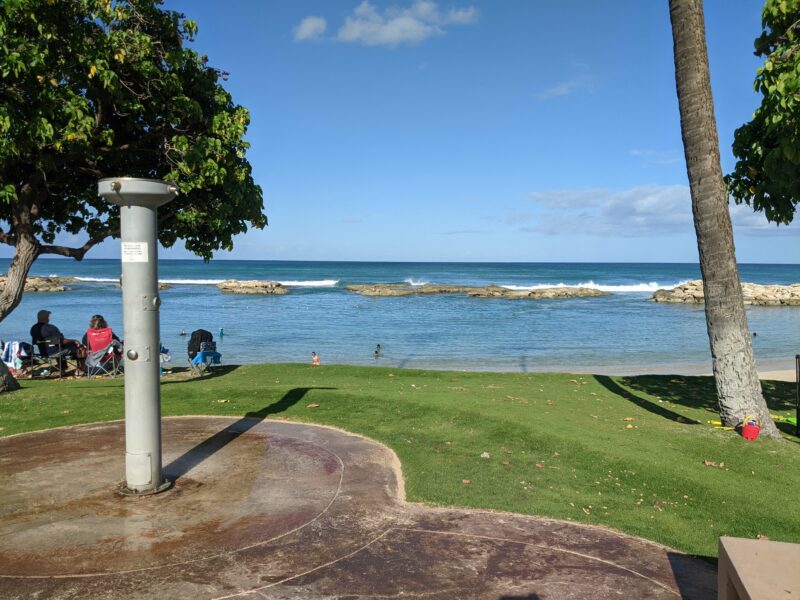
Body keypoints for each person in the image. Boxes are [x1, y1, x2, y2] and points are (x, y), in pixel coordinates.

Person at [30, 309, 85, 375]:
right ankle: (80, 370)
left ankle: (62, 368)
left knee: (59, 346)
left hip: (43, 352)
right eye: (48, 316)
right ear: (47, 318)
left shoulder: (34, 328)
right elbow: (61, 341)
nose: (49, 318)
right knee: (80, 348)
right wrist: (74, 341)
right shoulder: (51, 327)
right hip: (54, 352)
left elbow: (35, 341)